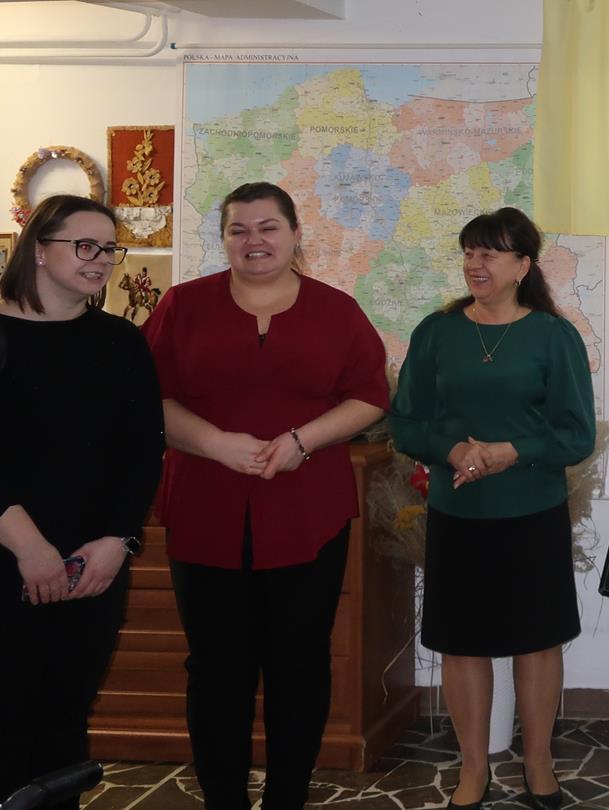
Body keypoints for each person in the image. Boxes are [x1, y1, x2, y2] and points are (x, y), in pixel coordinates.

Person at [143, 182, 388, 810]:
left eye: (268, 227)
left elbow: (369, 396)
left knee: (299, 664)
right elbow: (146, 397)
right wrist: (214, 442)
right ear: (224, 238)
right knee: (215, 666)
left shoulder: (337, 310)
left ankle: (287, 799)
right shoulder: (182, 305)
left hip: (308, 512)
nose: (254, 241)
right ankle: (223, 799)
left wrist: (304, 440)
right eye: (239, 229)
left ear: (295, 234)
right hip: (204, 509)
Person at [391, 207, 595, 810]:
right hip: (459, 515)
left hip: (532, 512)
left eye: (490, 253)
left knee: (538, 641)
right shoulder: (437, 332)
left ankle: (539, 764)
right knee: (462, 644)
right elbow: (406, 422)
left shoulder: (553, 336)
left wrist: (512, 451)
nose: (475, 264)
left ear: (522, 266)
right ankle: (473, 770)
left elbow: (576, 434)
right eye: (469, 252)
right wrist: (454, 449)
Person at [0, 195, 164, 810]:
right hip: (8, 556)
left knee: (65, 715)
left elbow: (142, 452)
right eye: (85, 246)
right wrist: (28, 547)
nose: (100, 260)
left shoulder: (120, 342)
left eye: (109, 249)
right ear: (40, 250)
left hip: (91, 565)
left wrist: (118, 541)